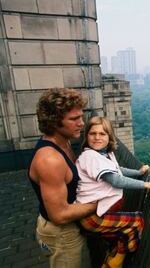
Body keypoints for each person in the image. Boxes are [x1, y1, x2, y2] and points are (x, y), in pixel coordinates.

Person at [76, 116, 150, 268]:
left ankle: (113, 256)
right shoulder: (90, 157)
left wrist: (137, 172)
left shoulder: (104, 154)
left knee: (124, 230)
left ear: (109, 136)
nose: (97, 137)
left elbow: (117, 170)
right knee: (136, 222)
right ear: (86, 136)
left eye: (102, 134)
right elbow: (115, 180)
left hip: (96, 213)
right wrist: (145, 184)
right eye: (93, 133)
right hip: (92, 216)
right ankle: (117, 262)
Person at [28, 88, 97, 267]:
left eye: (81, 117)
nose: (82, 124)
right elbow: (59, 215)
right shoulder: (50, 160)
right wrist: (100, 203)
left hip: (68, 229)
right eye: (74, 119)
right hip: (61, 234)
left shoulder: (64, 141)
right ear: (54, 122)